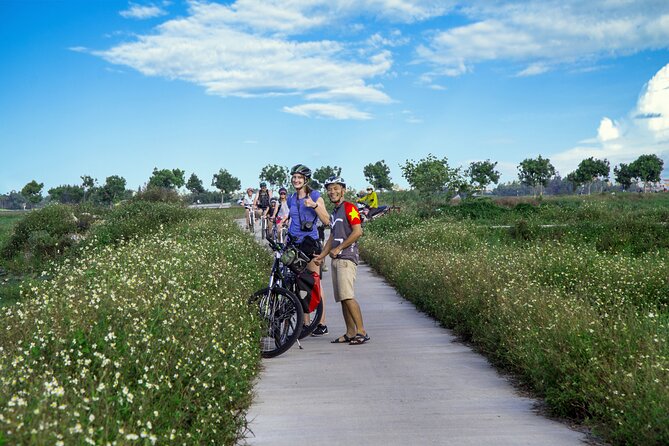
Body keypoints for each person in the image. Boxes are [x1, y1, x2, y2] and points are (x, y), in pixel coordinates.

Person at [314, 175, 369, 345]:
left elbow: (358, 231)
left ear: (343, 190)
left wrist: (340, 248)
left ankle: (361, 331)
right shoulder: (335, 212)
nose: (332, 192)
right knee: (342, 298)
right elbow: (332, 237)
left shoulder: (349, 208)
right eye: (330, 189)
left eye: (336, 188)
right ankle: (350, 332)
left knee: (348, 296)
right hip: (336, 259)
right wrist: (322, 255)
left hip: (346, 257)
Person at [287, 164, 330, 336]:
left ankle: (321, 323)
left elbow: (327, 220)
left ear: (306, 180)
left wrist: (314, 206)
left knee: (314, 282)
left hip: (310, 244)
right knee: (299, 282)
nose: (296, 180)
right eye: (294, 177)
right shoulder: (291, 198)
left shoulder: (315, 196)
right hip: (294, 244)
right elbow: (293, 219)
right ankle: (305, 324)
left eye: (300, 178)